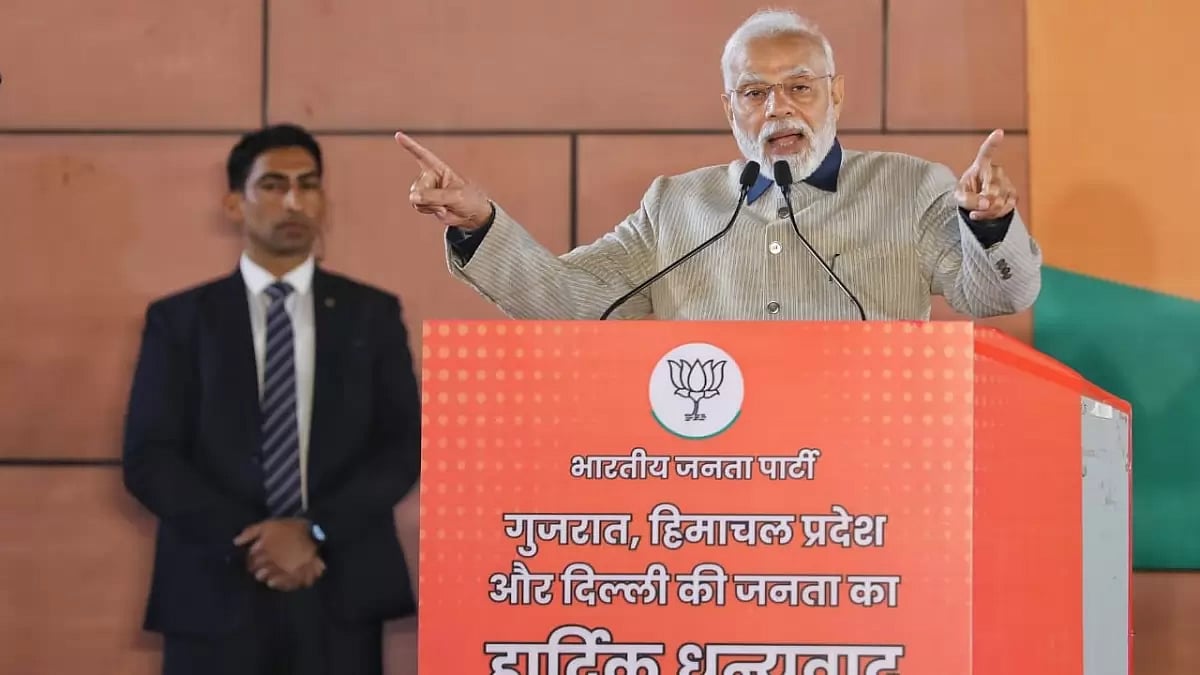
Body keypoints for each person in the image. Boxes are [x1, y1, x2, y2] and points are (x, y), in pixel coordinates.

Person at [395, 9, 1042, 321]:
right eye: (755, 94)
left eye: (800, 88)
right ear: (729, 108)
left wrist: (991, 225)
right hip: (721, 484)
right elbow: (572, 301)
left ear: (836, 93)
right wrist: (480, 222)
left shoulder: (910, 188)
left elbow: (998, 294)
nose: (778, 110)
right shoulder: (674, 205)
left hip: (868, 485)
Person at [122, 124, 420, 675]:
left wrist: (312, 531)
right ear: (234, 203)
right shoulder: (182, 321)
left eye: (308, 184)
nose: (293, 200)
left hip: (339, 584)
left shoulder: (370, 315)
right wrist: (258, 542)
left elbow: (404, 445)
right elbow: (149, 457)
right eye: (274, 184)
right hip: (212, 589)